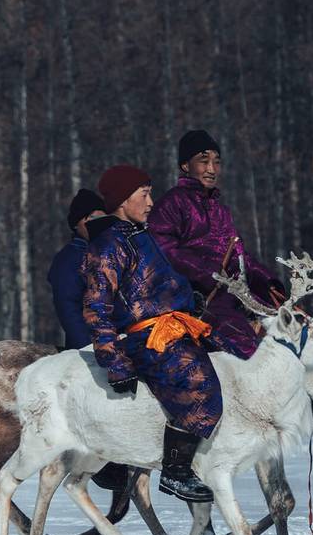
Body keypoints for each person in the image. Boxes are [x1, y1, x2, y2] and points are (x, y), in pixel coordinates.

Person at [82, 165, 219, 503]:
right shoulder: (108, 245)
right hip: (148, 339)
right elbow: (97, 306)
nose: (151, 201)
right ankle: (176, 470)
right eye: (143, 194)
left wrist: (190, 299)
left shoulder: (139, 235)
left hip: (173, 327)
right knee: (200, 382)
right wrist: (114, 361)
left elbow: (159, 284)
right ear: (122, 201)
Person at [147, 129, 284, 359]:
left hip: (234, 296)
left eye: (216, 162)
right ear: (185, 165)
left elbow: (240, 257)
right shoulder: (172, 203)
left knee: (289, 332)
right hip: (197, 301)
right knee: (253, 350)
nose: (212, 169)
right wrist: (208, 272)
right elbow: (163, 249)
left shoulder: (220, 210)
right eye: (203, 161)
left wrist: (268, 283)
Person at [47, 189, 109, 350]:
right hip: (88, 350)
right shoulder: (69, 259)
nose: (97, 223)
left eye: (102, 218)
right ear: (76, 224)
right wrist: (88, 347)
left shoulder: (109, 252)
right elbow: (68, 308)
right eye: (91, 219)